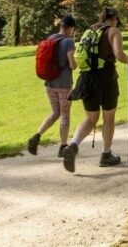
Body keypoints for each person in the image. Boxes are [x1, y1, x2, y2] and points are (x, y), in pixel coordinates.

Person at [62, 7, 128, 173]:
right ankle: (106, 155)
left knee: (91, 118)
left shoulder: (90, 30)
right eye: (117, 19)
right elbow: (119, 55)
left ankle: (73, 145)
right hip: (106, 78)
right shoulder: (113, 32)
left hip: (87, 78)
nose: (117, 23)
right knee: (109, 117)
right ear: (114, 18)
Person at [27, 15, 78, 157]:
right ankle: (63, 147)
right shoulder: (68, 42)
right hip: (64, 85)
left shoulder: (51, 39)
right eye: (73, 28)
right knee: (65, 116)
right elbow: (72, 65)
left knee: (55, 113)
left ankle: (36, 136)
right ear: (69, 28)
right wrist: (76, 63)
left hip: (49, 83)